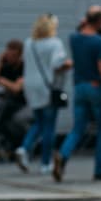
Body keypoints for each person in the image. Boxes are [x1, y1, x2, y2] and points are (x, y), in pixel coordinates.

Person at [53, 5, 101, 182]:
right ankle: (99, 170)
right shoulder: (99, 42)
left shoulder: (74, 38)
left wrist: (83, 22)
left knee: (78, 128)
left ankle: (63, 155)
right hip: (95, 87)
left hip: (78, 87)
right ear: (100, 21)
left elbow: (80, 30)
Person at [14, 14, 72, 174]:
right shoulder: (55, 43)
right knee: (49, 126)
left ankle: (24, 149)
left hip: (30, 86)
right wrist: (68, 63)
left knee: (38, 122)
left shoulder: (29, 43)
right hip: (47, 87)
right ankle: (46, 163)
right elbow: (56, 64)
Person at [0, 40, 29, 153]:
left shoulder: (24, 67)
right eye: (8, 55)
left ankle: (20, 147)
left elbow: (16, 88)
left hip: (23, 103)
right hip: (8, 104)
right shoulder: (6, 66)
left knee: (14, 121)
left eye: (12, 56)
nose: (9, 58)